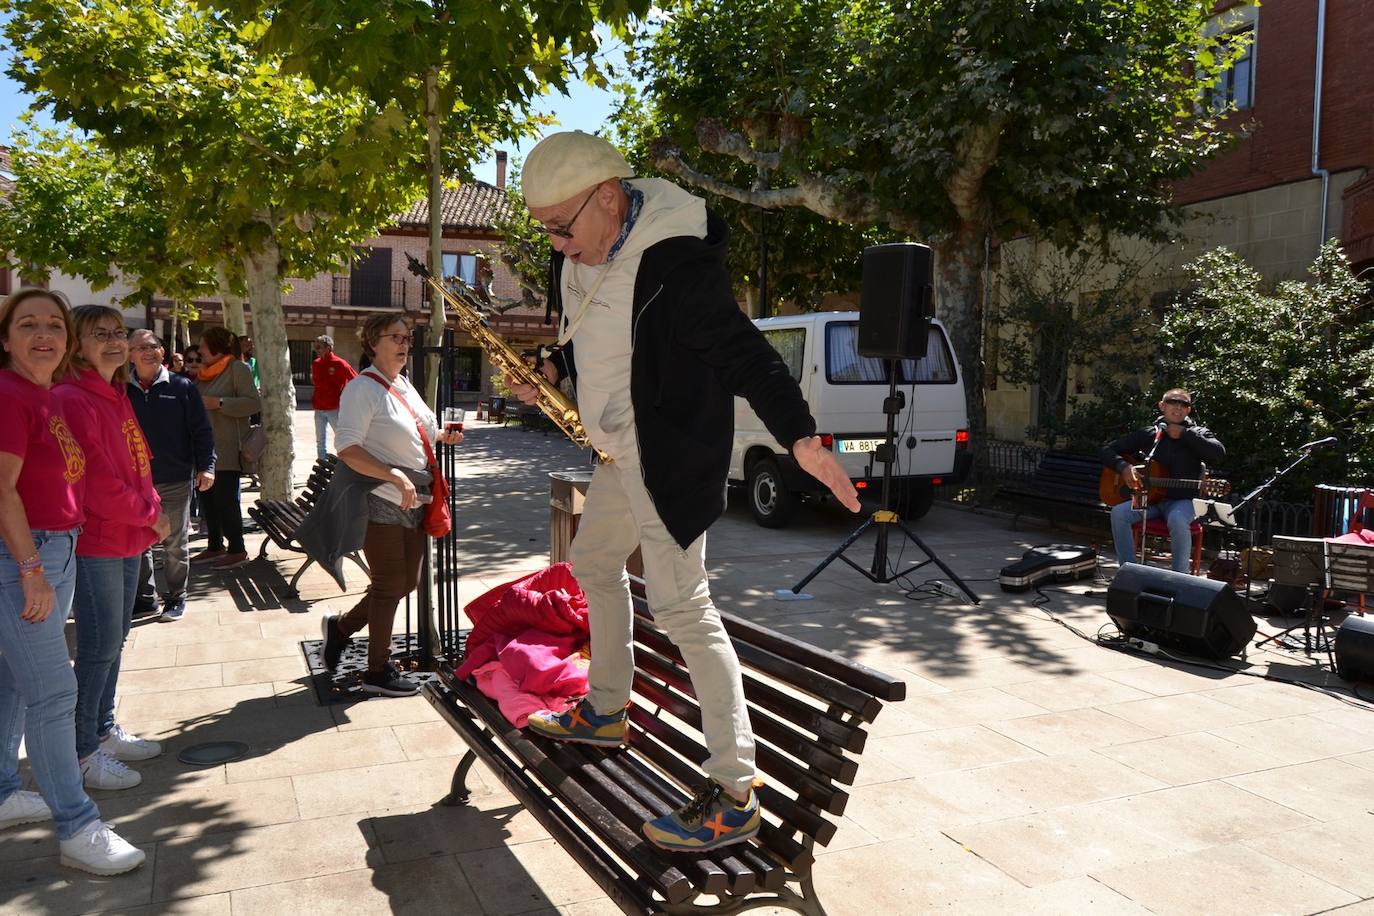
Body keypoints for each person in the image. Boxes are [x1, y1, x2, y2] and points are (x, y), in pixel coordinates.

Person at [508, 131, 861, 853]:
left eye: (563, 227)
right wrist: (549, 368)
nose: (557, 245)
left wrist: (799, 435)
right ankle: (607, 709)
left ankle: (736, 792)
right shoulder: (579, 242)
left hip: (665, 453)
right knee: (594, 565)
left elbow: (743, 351)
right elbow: (586, 334)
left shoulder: (678, 262)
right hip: (612, 451)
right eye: (545, 229)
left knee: (683, 608)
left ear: (609, 196)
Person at [0, 290, 146, 874]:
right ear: (6, 336)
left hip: (53, 548)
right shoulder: (11, 395)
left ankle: (6, 789)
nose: (44, 334)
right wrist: (31, 570)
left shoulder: (41, 395)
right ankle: (77, 826)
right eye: (27, 324)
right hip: (25, 556)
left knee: (15, 683)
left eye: (54, 324)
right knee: (55, 693)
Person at [54, 307, 170, 792]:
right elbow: (97, 480)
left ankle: (103, 729)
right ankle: (82, 752)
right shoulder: (72, 398)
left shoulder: (114, 393)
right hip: (100, 538)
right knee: (99, 647)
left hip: (128, 536)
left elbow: (139, 462)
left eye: (118, 333)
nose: (113, 341)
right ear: (77, 345)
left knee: (115, 639)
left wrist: (154, 507)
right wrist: (150, 515)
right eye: (98, 334)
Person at [317, 315, 462, 697]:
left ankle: (341, 628)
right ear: (371, 342)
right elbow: (347, 447)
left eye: (407, 337)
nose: (404, 343)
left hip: (417, 497)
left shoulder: (403, 385)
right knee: (387, 584)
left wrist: (442, 436)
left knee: (406, 582)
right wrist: (392, 476)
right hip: (378, 498)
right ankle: (378, 670)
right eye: (395, 337)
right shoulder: (360, 389)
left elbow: (420, 432)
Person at [128, 330, 216, 621]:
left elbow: (202, 431)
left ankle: (176, 597)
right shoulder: (120, 389)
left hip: (175, 478)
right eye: (140, 347)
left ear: (163, 352)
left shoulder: (182, 387)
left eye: (153, 346)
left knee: (174, 543)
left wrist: (206, 466)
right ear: (129, 354)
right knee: (140, 542)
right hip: (135, 482)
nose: (148, 351)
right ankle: (145, 598)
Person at [1100, 388, 1226, 573]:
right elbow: (1106, 450)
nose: (1178, 407)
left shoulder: (1198, 433)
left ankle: (1179, 579)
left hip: (1183, 502)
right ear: (1162, 406)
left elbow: (1219, 453)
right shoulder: (1151, 434)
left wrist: (1185, 434)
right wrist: (1124, 468)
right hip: (1151, 501)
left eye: (1184, 404)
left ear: (1188, 410)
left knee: (1176, 518)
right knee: (1119, 513)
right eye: (1173, 402)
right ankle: (1128, 572)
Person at [193, 326, 260, 570]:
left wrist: (220, 403)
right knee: (207, 500)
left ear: (216, 346)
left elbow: (253, 403)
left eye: (203, 345)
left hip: (228, 448)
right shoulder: (204, 373)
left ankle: (237, 549)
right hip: (203, 450)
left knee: (226, 501)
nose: (199, 350)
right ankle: (214, 546)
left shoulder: (237, 369)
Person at [311, 334, 357, 460]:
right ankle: (322, 463)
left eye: (319, 347)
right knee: (320, 441)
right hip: (319, 407)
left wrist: (349, 397)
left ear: (328, 348)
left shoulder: (340, 364)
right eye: (316, 347)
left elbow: (356, 380)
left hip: (334, 408)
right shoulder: (316, 364)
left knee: (342, 438)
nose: (317, 350)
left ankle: (346, 462)